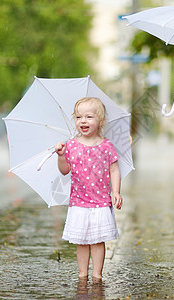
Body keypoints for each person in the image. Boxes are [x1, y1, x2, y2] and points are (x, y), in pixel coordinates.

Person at [55, 97, 123, 280]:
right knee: (82, 241)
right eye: (78, 117)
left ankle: (97, 274)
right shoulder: (71, 145)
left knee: (98, 240)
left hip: (100, 202)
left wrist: (116, 191)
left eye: (89, 117)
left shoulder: (107, 146)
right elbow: (64, 171)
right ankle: (82, 272)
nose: (83, 121)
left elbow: (114, 169)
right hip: (79, 202)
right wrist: (61, 156)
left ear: (100, 121)